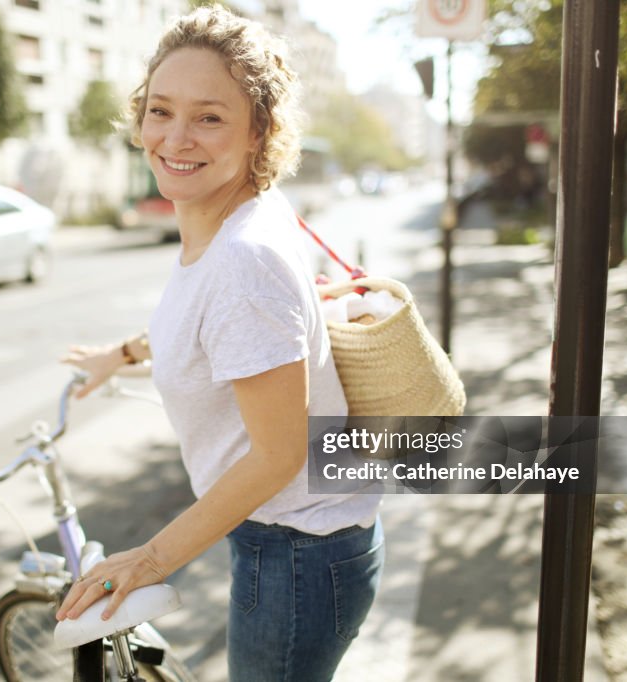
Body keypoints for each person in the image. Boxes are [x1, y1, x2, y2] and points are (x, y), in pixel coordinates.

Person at [56, 6, 384, 680]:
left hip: (297, 552)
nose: (174, 137)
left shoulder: (243, 255)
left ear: (258, 131)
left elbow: (277, 455)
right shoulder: (238, 216)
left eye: (209, 117)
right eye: (159, 110)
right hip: (299, 544)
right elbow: (219, 329)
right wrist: (119, 355)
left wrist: (145, 560)